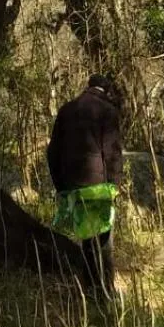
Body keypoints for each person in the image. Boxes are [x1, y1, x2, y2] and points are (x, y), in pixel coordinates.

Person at [46, 74, 124, 294]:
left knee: (86, 236)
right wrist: (115, 184)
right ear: (106, 91)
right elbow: (112, 153)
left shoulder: (66, 110)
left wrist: (61, 185)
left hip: (73, 184)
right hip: (99, 185)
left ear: (88, 87)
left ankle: (89, 286)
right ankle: (104, 289)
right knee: (103, 240)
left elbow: (52, 152)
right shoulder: (108, 112)